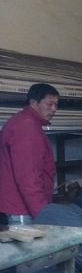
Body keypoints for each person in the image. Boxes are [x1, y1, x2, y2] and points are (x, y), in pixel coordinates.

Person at [0, 83, 60, 225]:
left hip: (19, 206)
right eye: (49, 104)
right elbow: (28, 177)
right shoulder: (27, 127)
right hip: (23, 210)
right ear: (33, 103)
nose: (54, 109)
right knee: (30, 241)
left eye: (56, 104)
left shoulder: (24, 122)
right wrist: (42, 213)